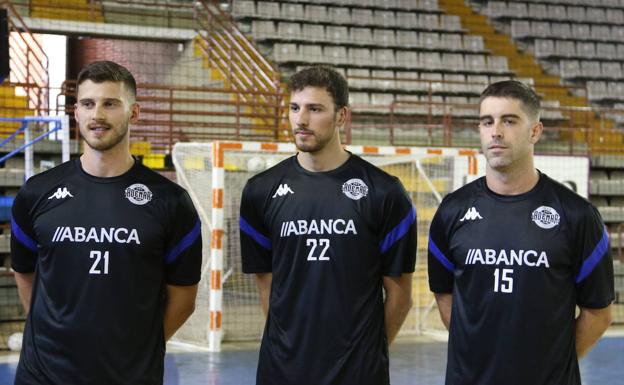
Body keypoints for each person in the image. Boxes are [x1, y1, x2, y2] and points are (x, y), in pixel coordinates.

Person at [11, 60, 202, 385]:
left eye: (110, 103)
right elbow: (25, 274)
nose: (97, 114)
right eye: (88, 103)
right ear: (76, 112)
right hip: (43, 374)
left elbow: (183, 298)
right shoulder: (37, 193)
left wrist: (136, 348)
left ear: (134, 112)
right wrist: (51, 335)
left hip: (130, 375)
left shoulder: (170, 202)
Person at [239, 65, 417, 385]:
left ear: (341, 116)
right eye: (294, 108)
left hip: (359, 373)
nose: (301, 120)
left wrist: (367, 353)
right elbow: (267, 284)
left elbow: (400, 295)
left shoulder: (384, 192)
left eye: (315, 109)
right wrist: (289, 346)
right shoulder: (260, 191)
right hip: (282, 371)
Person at [428, 80, 614, 385]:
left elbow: (598, 314)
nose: (496, 131)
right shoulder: (452, 211)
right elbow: (444, 295)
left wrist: (549, 368)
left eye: (509, 120)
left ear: (535, 131)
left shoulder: (577, 215)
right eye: (487, 121)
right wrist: (477, 355)